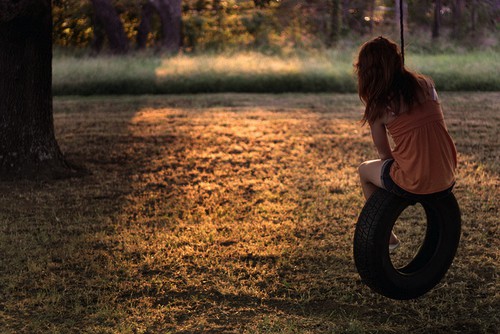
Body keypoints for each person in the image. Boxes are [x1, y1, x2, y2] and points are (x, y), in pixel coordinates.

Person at [354, 36, 457, 252]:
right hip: (447, 175)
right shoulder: (427, 85)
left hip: (414, 180)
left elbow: (385, 155)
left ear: (366, 72)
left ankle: (387, 236)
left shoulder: (379, 107)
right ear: (397, 61)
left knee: (364, 170)